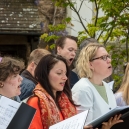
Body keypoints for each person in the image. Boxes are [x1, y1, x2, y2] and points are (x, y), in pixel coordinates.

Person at [27, 54, 122, 129]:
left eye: (65, 73)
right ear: (45, 74)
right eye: (59, 73)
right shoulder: (35, 101)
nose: (65, 77)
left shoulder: (65, 101)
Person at [72, 43, 117, 123]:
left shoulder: (106, 86)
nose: (109, 60)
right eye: (103, 57)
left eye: (108, 56)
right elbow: (85, 125)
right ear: (90, 64)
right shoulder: (82, 89)